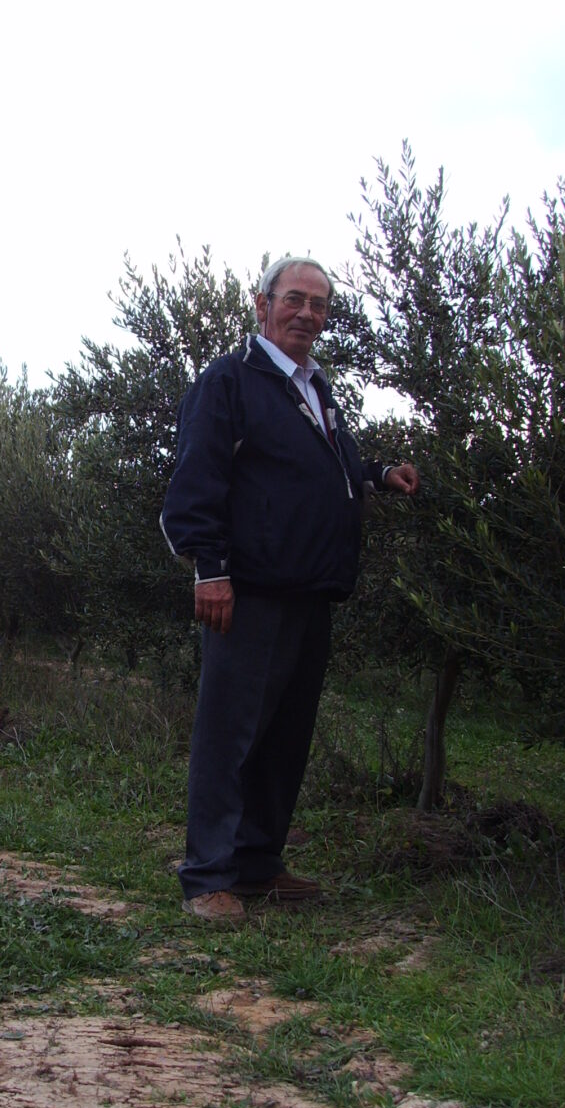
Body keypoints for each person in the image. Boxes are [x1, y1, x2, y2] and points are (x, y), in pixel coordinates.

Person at [161, 256, 419, 924]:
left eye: (320, 305)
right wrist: (209, 571)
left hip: (310, 590)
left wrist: (378, 473)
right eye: (295, 299)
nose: (308, 313)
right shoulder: (229, 382)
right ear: (262, 304)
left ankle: (256, 865)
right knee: (231, 735)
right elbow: (195, 485)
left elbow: (324, 465)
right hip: (247, 592)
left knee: (283, 737)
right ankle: (206, 878)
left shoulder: (314, 387)